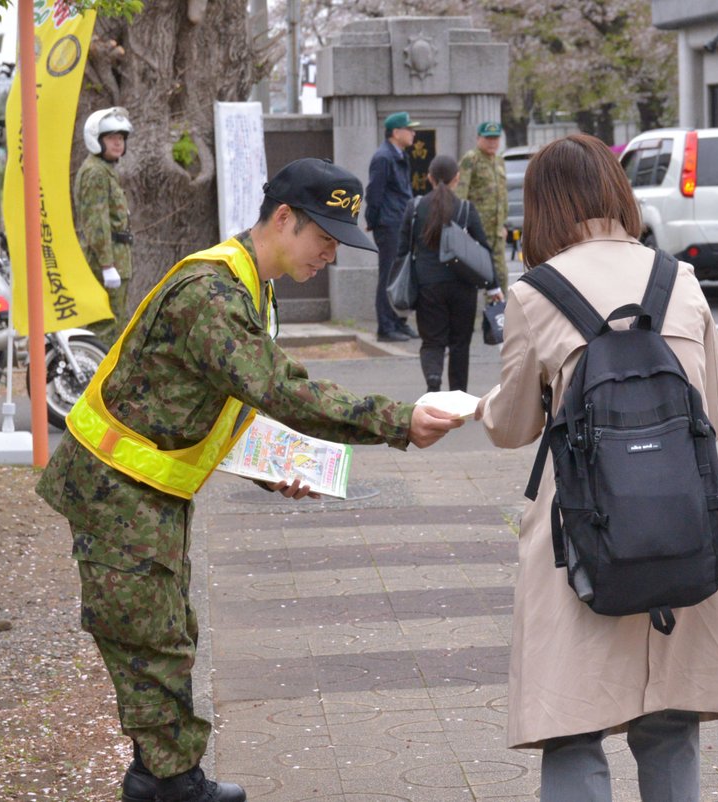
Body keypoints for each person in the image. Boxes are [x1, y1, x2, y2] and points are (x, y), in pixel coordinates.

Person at [36, 158, 464, 802]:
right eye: (324, 239)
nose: (329, 255)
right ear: (284, 219)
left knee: (168, 632)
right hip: (115, 490)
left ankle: (162, 779)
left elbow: (218, 399)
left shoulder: (247, 288)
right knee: (150, 641)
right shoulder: (212, 294)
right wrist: (399, 419)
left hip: (147, 488)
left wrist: (273, 470)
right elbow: (282, 390)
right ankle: (170, 784)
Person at [475, 134, 718, 802]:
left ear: (542, 206)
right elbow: (713, 416)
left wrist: (482, 404)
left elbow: (513, 427)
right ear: (615, 191)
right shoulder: (678, 281)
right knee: (668, 722)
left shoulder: (535, 295)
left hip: (582, 535)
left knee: (574, 728)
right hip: (681, 524)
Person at [398, 155, 504, 393]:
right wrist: (493, 287)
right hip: (463, 286)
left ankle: (433, 384)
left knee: (432, 341)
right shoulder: (466, 209)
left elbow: (402, 250)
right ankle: (457, 394)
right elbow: (484, 249)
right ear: (457, 178)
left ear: (429, 178)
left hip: (427, 286)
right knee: (460, 344)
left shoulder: (415, 208)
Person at [75, 106, 135, 347]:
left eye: (121, 138)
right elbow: (96, 222)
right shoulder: (95, 173)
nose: (117, 143)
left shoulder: (104, 170)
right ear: (97, 140)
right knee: (106, 326)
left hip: (117, 259)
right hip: (107, 263)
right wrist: (107, 264)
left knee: (116, 323)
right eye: (111, 138)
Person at [366, 111, 421, 343]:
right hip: (389, 224)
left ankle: (399, 321)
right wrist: (373, 221)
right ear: (396, 132)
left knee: (402, 275)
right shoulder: (383, 157)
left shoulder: (399, 155)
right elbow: (374, 193)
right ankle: (385, 327)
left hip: (400, 222)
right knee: (388, 275)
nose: (413, 133)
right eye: (409, 129)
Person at [456, 121, 509, 292]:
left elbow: (502, 196)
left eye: (495, 138)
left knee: (501, 275)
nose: (492, 142)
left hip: (497, 231)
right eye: (488, 139)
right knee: (480, 276)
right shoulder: (471, 159)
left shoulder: (499, 161)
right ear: (478, 138)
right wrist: (462, 226)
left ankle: (499, 316)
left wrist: (504, 224)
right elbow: (461, 194)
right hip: (477, 230)